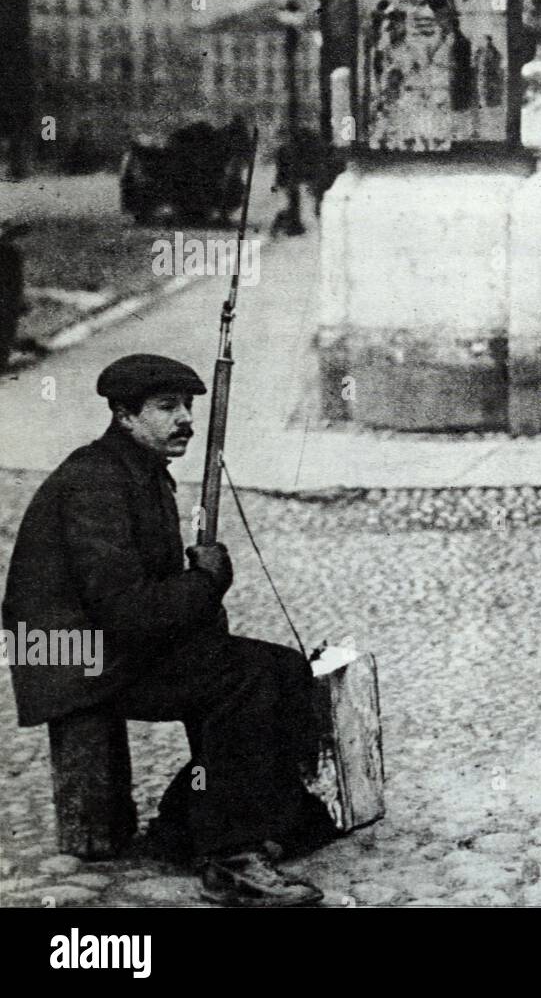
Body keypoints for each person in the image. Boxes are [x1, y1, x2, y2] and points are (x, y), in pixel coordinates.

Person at [3, 354, 330, 906]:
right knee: (241, 680)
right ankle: (229, 857)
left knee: (281, 667)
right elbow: (128, 611)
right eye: (166, 407)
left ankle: (188, 823)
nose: (185, 420)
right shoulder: (95, 483)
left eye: (188, 406)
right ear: (124, 414)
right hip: (78, 662)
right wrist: (206, 582)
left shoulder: (139, 470)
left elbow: (145, 603)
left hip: (115, 646)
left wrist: (201, 604)